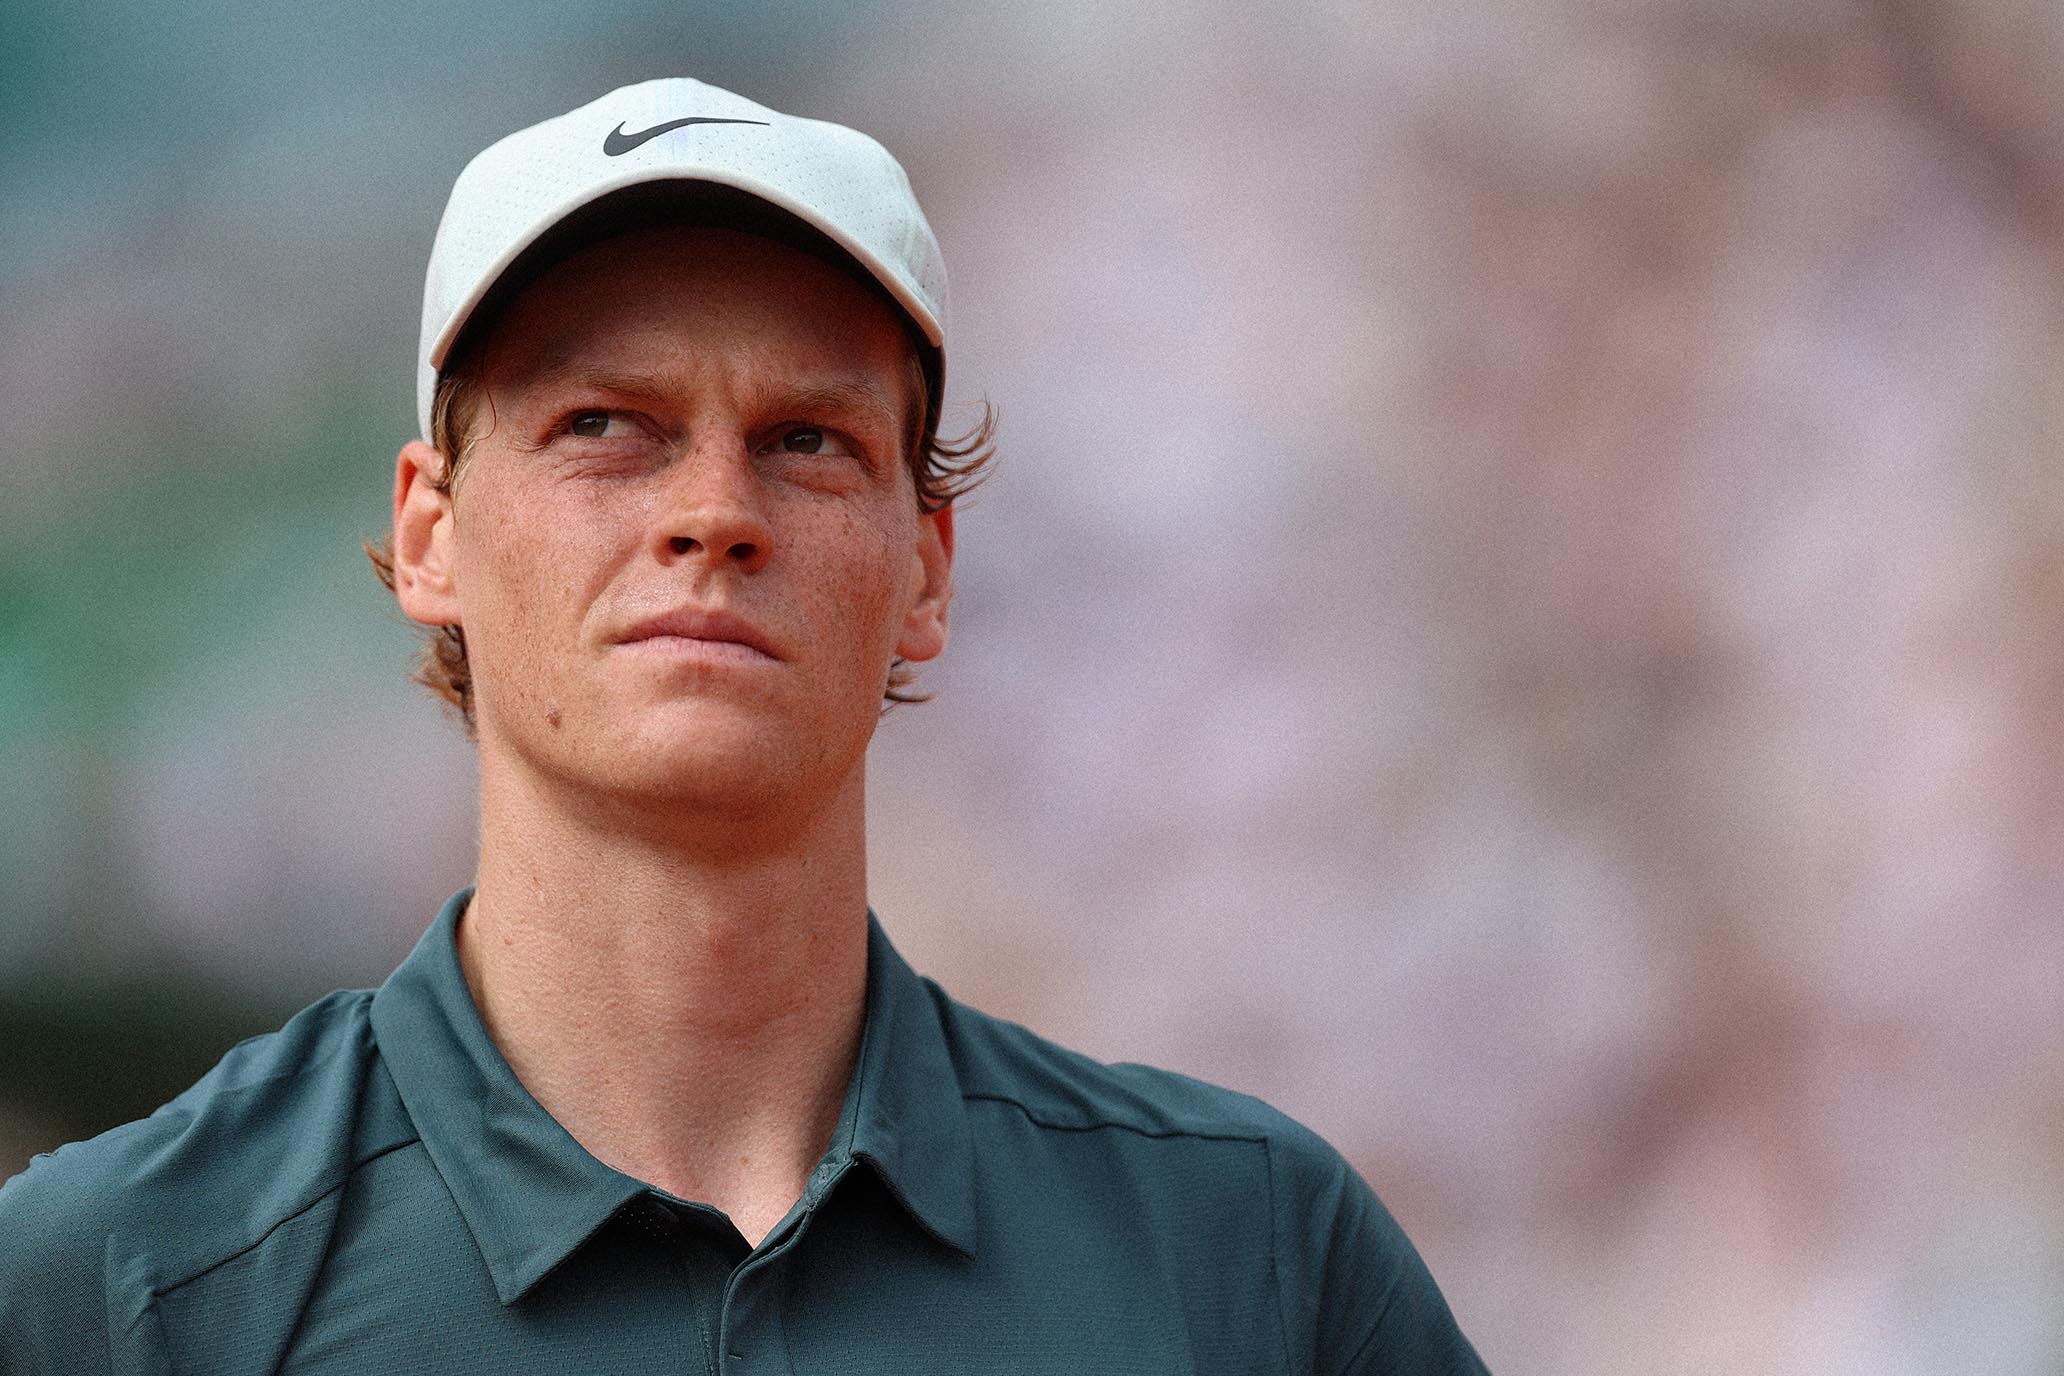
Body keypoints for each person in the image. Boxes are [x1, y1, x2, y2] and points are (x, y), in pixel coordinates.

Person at [0, 77, 1488, 1373]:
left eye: (807, 440)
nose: (715, 511)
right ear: (431, 533)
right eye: (603, 425)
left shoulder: (1250, 1257)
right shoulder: (119, 1284)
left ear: (927, 570)